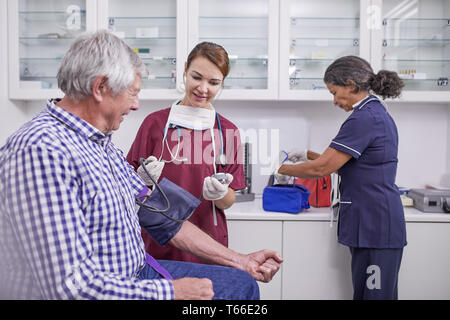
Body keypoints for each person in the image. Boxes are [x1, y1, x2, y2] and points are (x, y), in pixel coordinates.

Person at [0, 30, 282, 300]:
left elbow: (157, 214)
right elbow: (71, 286)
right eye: (132, 93)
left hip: (137, 270)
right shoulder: (41, 151)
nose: (136, 105)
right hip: (112, 285)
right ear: (100, 88)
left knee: (242, 284)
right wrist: (172, 292)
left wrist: (241, 260)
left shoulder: (100, 144)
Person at [276, 56, 407, 300]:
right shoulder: (372, 111)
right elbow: (344, 162)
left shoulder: (365, 117)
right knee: (367, 295)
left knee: (373, 297)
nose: (335, 101)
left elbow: (322, 168)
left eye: (335, 92)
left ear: (350, 84)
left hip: (375, 226)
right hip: (372, 224)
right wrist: (306, 154)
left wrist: (279, 169)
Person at [127, 42, 244, 264]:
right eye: (196, 77)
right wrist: (143, 179)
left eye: (213, 82)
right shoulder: (154, 124)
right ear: (184, 70)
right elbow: (126, 185)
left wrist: (219, 194)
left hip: (207, 245)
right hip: (157, 242)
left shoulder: (228, 132)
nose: (203, 88)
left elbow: (229, 201)